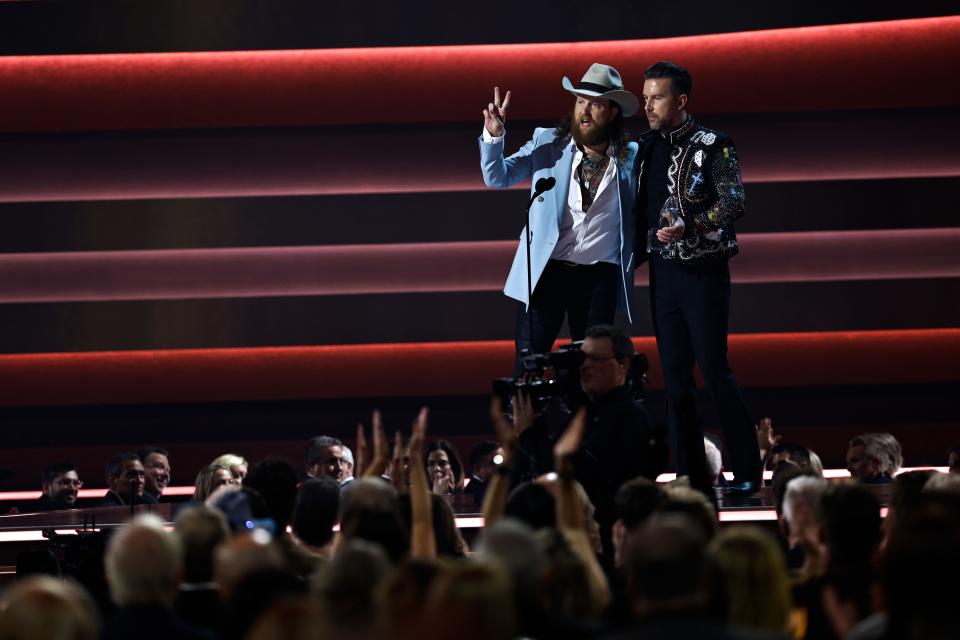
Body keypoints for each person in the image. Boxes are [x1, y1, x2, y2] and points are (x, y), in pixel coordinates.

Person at [634, 60, 760, 496]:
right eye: (645, 96)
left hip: (704, 272)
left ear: (681, 100)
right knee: (674, 378)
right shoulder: (644, 147)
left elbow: (734, 202)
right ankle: (688, 474)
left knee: (714, 367)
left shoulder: (714, 144)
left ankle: (747, 468)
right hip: (663, 274)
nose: (647, 105)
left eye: (657, 97)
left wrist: (692, 224)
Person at [478, 63, 641, 372]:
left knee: (591, 366)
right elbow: (497, 177)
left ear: (613, 112)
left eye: (595, 104)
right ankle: (525, 419)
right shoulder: (548, 143)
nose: (585, 110)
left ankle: (586, 419)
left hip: (598, 279)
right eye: (580, 100)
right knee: (529, 367)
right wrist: (493, 137)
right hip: (546, 272)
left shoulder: (631, 156)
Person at [517, 324, 667, 559]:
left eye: (596, 359)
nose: (586, 366)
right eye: (583, 359)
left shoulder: (627, 416)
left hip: (609, 545)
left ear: (622, 365)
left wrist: (528, 434)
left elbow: (572, 476)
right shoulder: (587, 412)